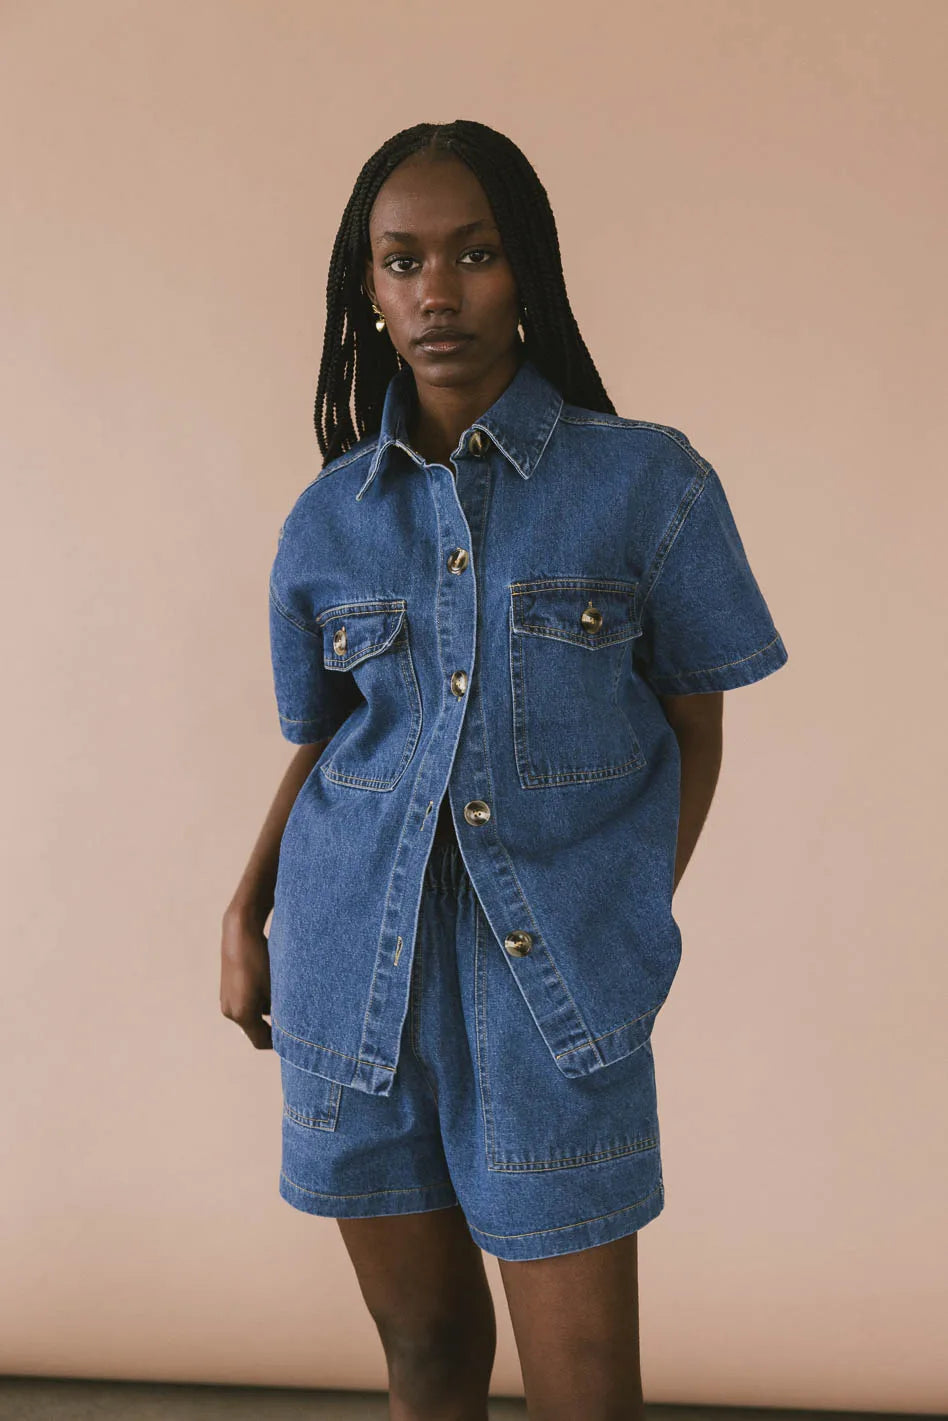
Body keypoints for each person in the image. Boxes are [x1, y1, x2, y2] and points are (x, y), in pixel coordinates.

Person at [220, 119, 789, 1420]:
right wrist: (243, 907)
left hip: (550, 997)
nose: (438, 291)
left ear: (526, 265)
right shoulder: (330, 517)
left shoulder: (646, 483)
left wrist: (624, 910)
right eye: (402, 260)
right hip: (349, 978)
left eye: (474, 254)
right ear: (367, 290)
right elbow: (329, 741)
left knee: (586, 1391)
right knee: (425, 1355)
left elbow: (696, 724)